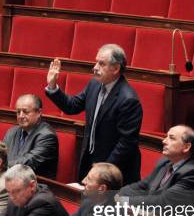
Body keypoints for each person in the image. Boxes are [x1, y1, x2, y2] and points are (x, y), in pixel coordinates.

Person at [46, 44, 142, 184]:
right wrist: (53, 87)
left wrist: (102, 172)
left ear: (116, 68)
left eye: (101, 64)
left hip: (116, 173)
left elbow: (126, 144)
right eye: (96, 62)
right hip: (91, 163)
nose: (95, 67)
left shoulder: (128, 99)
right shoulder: (94, 84)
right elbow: (72, 106)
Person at [117, 125, 194, 216]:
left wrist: (126, 200)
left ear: (186, 147)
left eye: (171, 138)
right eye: (166, 136)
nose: (164, 141)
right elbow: (144, 185)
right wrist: (121, 194)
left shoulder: (192, 174)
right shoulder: (165, 162)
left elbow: (163, 201)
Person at [3, 94, 58, 179]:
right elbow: (1, 154)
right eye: (18, 112)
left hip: (34, 186)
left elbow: (28, 163)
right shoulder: (12, 132)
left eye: (25, 112)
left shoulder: (47, 136)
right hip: (9, 179)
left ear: (39, 113)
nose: (20, 116)